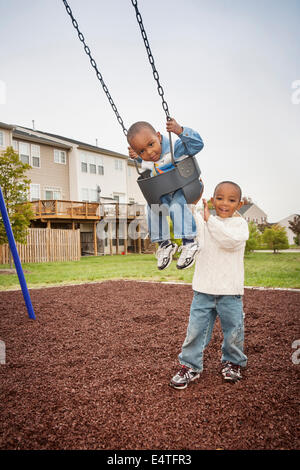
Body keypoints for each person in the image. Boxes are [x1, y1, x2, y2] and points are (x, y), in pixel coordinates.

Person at [170, 181, 249, 389]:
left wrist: (209, 220)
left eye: (231, 200)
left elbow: (228, 241)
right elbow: (187, 222)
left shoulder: (240, 226)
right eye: (220, 198)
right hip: (203, 289)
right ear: (212, 200)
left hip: (230, 291)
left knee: (233, 331)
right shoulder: (203, 220)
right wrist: (191, 203)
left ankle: (233, 363)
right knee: (195, 331)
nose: (225, 203)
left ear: (239, 204)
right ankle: (190, 366)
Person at [127, 118, 204, 270]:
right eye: (142, 151)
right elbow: (146, 173)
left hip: (185, 189)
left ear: (159, 137)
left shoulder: (176, 148)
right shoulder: (147, 161)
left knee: (176, 207)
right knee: (152, 207)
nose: (149, 152)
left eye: (151, 144)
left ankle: (190, 242)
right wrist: (136, 156)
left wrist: (181, 131)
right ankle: (164, 244)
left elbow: (198, 145)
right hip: (165, 194)